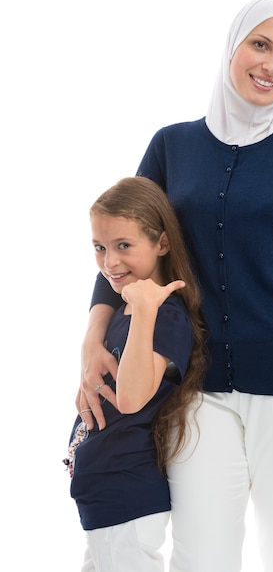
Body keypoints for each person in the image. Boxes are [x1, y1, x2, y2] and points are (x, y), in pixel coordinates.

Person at [76, 0, 273, 572]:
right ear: (232, 47)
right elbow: (125, 247)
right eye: (260, 45)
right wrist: (93, 338)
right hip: (197, 389)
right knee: (201, 555)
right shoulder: (172, 145)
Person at [65, 176, 206, 572]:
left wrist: (145, 309)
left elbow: (131, 398)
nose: (110, 262)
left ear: (161, 244)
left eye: (123, 246)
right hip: (105, 494)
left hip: (125, 493)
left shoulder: (166, 315)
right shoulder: (121, 308)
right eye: (99, 248)